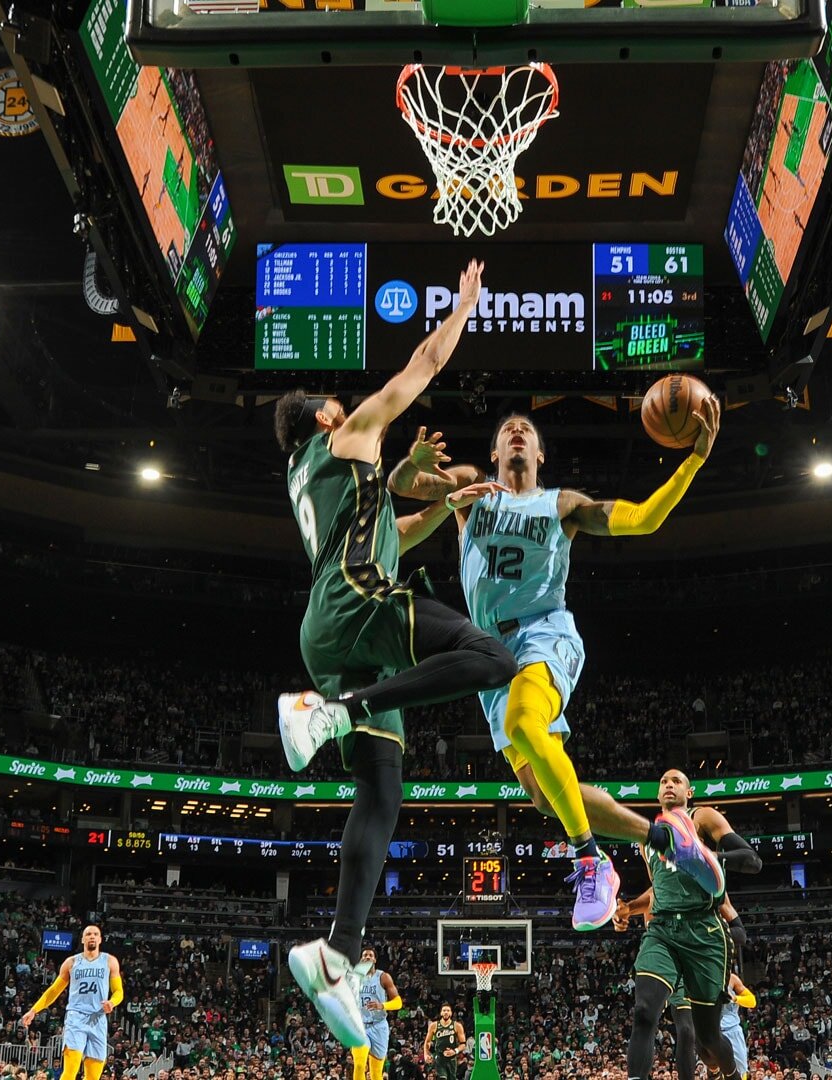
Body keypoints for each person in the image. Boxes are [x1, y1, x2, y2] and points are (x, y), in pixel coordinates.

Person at [272, 258, 518, 1051]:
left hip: (332, 624)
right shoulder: (344, 436)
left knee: (382, 789)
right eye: (340, 404)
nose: (352, 405)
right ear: (323, 420)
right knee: (491, 656)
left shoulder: (325, 480)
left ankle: (337, 950)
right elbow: (423, 365)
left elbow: (392, 530)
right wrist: (463, 310)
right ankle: (330, 712)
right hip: (355, 602)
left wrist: (441, 498)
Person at [388, 404, 726, 930]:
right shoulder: (472, 489)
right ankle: (663, 838)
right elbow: (404, 485)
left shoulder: (561, 505)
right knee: (546, 797)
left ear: (539, 454)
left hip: (545, 634)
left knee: (524, 723)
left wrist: (693, 462)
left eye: (526, 430)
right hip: (488, 654)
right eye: (506, 429)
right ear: (495, 453)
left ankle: (591, 859)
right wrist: (414, 463)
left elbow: (641, 519)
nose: (516, 429)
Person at [611, 770, 763, 1080]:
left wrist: (702, 857)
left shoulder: (703, 817)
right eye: (664, 782)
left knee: (706, 1038)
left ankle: (733, 1075)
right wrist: (628, 908)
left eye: (676, 781)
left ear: (688, 793)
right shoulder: (648, 839)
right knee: (643, 1013)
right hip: (663, 931)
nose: (669, 785)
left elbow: (751, 860)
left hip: (703, 931)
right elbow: (660, 891)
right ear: (657, 795)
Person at [20, 924, 123, 1080]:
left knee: (93, 1077)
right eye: (88, 934)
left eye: (96, 934)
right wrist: (34, 1010)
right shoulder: (71, 962)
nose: (92, 936)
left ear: (100, 939)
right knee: (70, 1071)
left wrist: (112, 1002)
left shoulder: (110, 961)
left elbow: (119, 992)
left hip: (98, 1019)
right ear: (82, 938)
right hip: (76, 1017)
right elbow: (54, 991)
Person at [354, 947, 403, 1080]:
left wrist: (382, 1005)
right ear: (361, 959)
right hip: (360, 1026)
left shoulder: (383, 977)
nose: (368, 957)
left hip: (379, 1025)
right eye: (365, 955)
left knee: (376, 1073)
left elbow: (398, 1002)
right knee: (359, 1065)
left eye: (370, 955)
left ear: (375, 959)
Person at [421, 1004, 467, 1080]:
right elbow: (427, 1041)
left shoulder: (457, 1026)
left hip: (452, 1058)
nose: (446, 1012)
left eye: (448, 1010)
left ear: (451, 1013)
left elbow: (463, 1044)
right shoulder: (434, 1025)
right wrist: (426, 1054)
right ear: (441, 1013)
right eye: (444, 1010)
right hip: (439, 1057)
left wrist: (455, 1051)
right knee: (442, 1078)